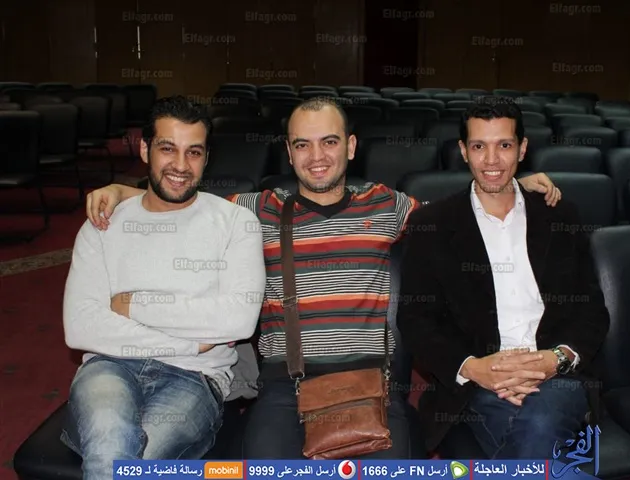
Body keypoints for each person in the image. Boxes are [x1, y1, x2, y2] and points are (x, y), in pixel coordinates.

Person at [84, 96, 562, 459]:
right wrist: (125, 191)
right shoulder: (254, 210)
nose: (317, 156)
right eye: (303, 144)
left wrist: (511, 186)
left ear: (350, 146)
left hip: (374, 383)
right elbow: (182, 199)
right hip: (285, 387)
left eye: (329, 142)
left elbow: (463, 215)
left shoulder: (386, 204)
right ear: (288, 153)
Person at [62, 96, 266, 479]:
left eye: (194, 152)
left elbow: (237, 320)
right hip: (109, 366)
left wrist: (131, 305)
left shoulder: (236, 223)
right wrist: (189, 342)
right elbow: (81, 327)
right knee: (111, 444)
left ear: (206, 158)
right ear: (145, 150)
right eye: (167, 149)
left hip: (195, 379)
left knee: (123, 465)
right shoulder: (103, 223)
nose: (181, 165)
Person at [396, 98, 610, 459]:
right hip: (480, 382)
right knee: (539, 435)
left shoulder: (560, 216)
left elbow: (591, 310)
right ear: (463, 151)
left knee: (539, 424)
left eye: (504, 145)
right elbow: (416, 320)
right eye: (479, 146)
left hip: (556, 376)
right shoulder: (432, 226)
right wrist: (475, 368)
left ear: (522, 149)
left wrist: (555, 359)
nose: (491, 160)